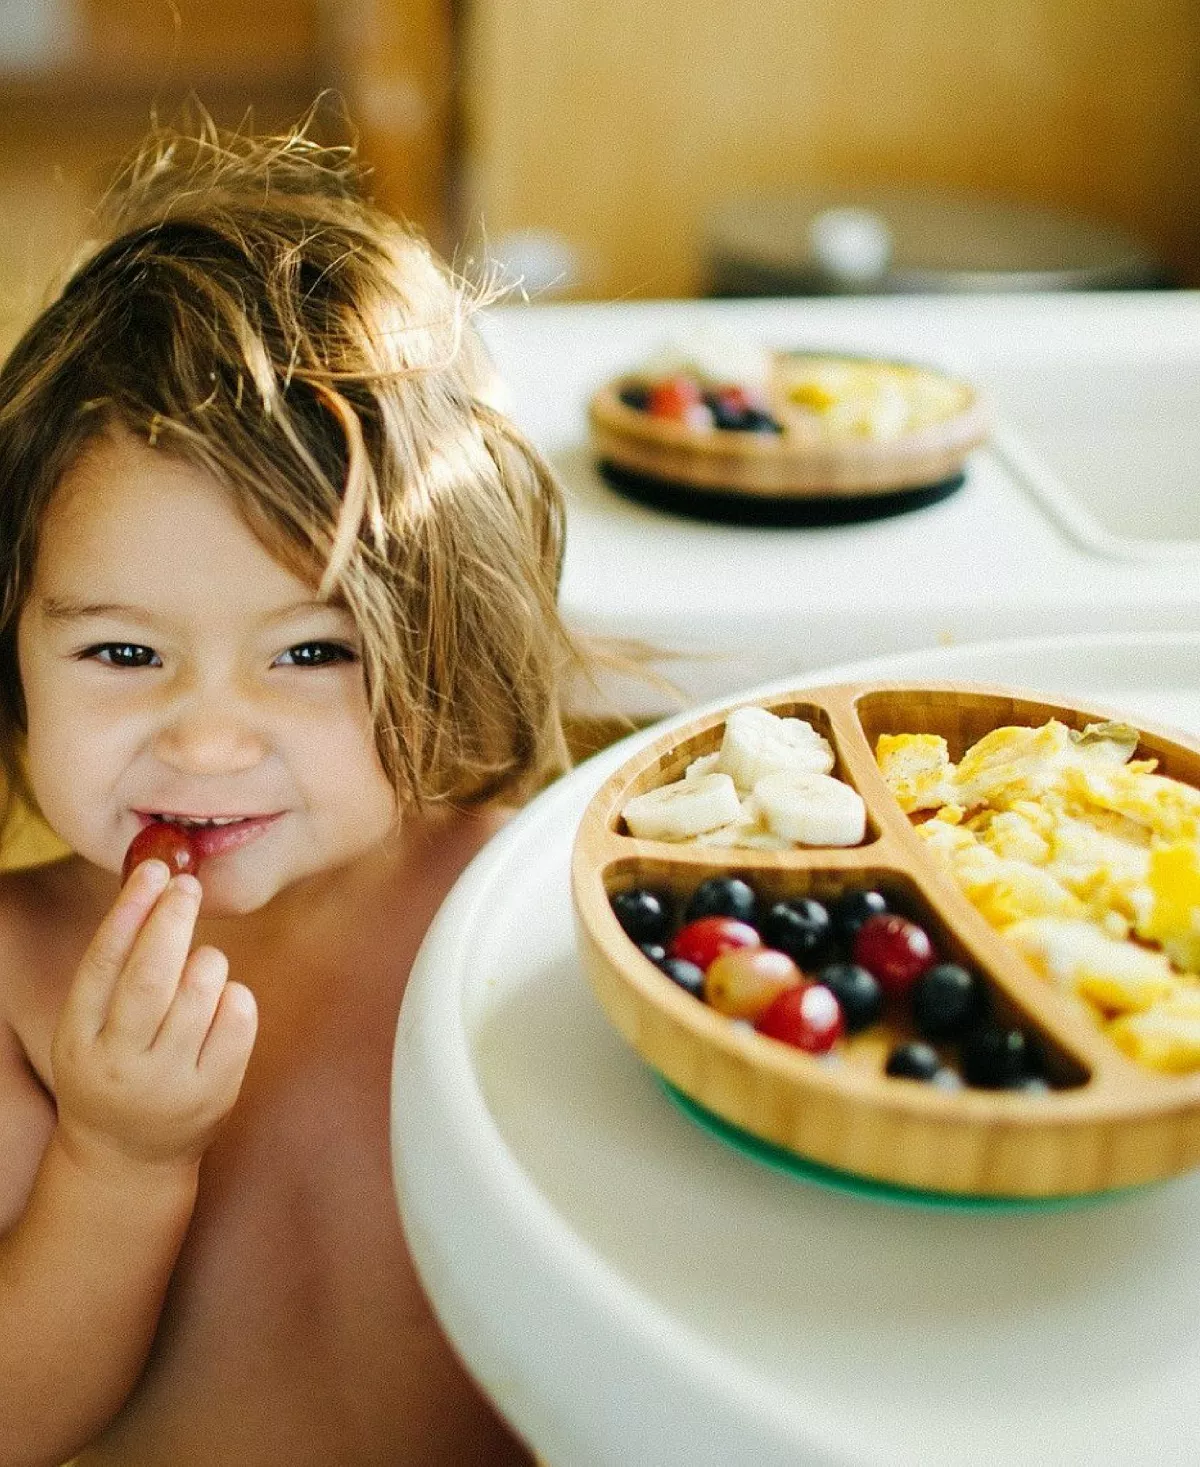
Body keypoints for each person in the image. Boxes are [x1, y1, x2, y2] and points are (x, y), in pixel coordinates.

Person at [0, 115, 585, 1465]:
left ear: (442, 634)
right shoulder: (18, 973)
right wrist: (118, 1157)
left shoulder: (521, 914)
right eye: (123, 653)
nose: (208, 744)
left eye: (311, 652)